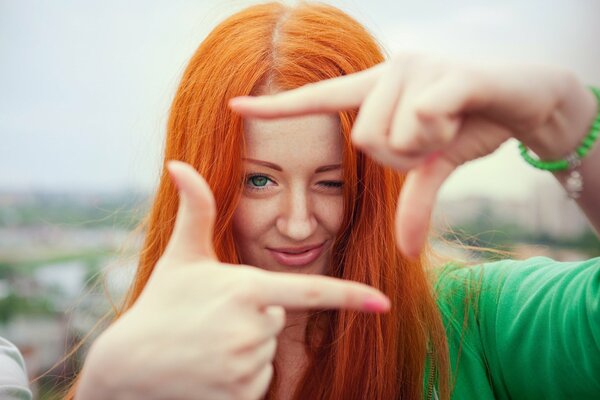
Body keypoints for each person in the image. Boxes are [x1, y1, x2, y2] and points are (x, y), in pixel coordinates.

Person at [70, 2, 600, 399]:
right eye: (259, 181)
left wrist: (561, 121)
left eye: (333, 181)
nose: (300, 224)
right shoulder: (151, 369)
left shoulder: (475, 325)